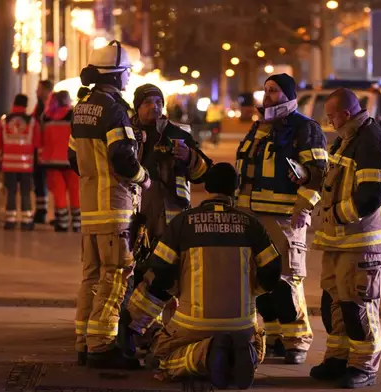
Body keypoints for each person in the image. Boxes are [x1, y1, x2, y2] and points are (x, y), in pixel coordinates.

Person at [126, 163, 282, 389]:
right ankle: (236, 357)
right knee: (254, 345)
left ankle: (207, 356)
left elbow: (159, 269)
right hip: (242, 325)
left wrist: (176, 289)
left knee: (160, 357)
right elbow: (273, 271)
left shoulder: (182, 222)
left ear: (207, 187)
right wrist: (252, 289)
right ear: (234, 190)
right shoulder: (252, 225)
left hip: (192, 323)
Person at [68, 40, 150, 369]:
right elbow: (122, 159)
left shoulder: (83, 107)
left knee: (91, 277)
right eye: (127, 72)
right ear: (115, 76)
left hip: (90, 209)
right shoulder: (114, 109)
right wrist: (143, 177)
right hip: (115, 209)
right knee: (116, 276)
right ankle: (102, 345)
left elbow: (72, 157)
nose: (129, 78)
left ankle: (84, 342)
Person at [235, 73, 327, 364]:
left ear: (288, 95)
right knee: (259, 279)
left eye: (273, 91)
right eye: (265, 90)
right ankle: (274, 337)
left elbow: (320, 174)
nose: (267, 95)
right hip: (251, 217)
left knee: (286, 279)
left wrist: (304, 207)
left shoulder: (305, 129)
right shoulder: (259, 128)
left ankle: (297, 341)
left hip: (284, 219)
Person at [309, 88, 381, 389]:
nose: (328, 121)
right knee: (336, 301)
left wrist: (336, 215)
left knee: (359, 305)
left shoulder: (370, 141)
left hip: (361, 241)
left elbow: (370, 195)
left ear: (345, 113)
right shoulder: (348, 138)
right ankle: (338, 358)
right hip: (338, 240)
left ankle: (364, 366)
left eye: (331, 116)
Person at [131, 83, 211, 248]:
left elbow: (204, 174)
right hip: (134, 213)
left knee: (169, 267)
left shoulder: (178, 134)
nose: (154, 106)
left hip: (172, 215)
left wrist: (189, 157)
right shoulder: (127, 134)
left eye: (159, 102)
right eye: (148, 102)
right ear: (137, 107)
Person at [0, 94, 41, 231]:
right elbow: (37, 143)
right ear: (26, 105)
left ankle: (10, 221)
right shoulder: (32, 122)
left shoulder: (4, 121)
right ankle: (26, 221)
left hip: (8, 164)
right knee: (26, 192)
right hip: (26, 165)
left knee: (11, 192)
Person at [41, 91, 80, 232]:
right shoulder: (74, 115)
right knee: (76, 191)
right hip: (71, 160)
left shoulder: (46, 117)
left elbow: (41, 139)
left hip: (51, 161)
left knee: (59, 192)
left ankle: (62, 223)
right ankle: (77, 223)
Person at [32, 79, 54, 224]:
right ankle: (41, 210)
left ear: (46, 91)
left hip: (47, 150)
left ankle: (44, 211)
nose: (36, 92)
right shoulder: (40, 107)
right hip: (42, 150)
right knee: (39, 182)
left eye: (39, 89)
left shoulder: (49, 108)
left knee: (50, 182)